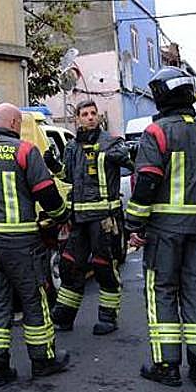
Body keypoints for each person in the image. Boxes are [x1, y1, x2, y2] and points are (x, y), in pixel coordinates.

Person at [127, 66, 196, 389]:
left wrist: (135, 224)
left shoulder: (157, 132)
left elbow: (147, 181)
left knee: (162, 291)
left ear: (162, 96)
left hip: (164, 229)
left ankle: (167, 365)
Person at [0, 102, 71, 386]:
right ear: (13, 123)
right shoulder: (24, 151)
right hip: (22, 243)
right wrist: (62, 216)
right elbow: (47, 193)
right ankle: (43, 361)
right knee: (34, 299)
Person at [51, 99, 131, 336]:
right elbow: (67, 176)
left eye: (93, 113)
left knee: (104, 266)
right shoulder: (72, 147)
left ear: (98, 117)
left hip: (104, 219)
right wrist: (53, 165)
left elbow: (130, 162)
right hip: (79, 219)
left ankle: (108, 317)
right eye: (84, 114)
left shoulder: (111, 143)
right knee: (70, 265)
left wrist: (119, 154)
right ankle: (64, 316)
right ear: (77, 118)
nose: (90, 117)